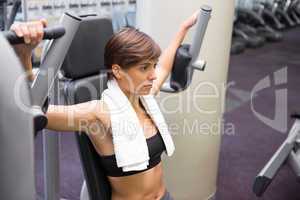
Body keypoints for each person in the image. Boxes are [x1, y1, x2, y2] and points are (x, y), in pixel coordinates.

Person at [11, 11, 199, 200]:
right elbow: (31, 110)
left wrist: (184, 27)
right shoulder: (98, 113)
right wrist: (24, 56)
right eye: (144, 68)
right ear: (117, 71)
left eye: (153, 65)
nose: (153, 75)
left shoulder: (145, 97)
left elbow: (164, 67)